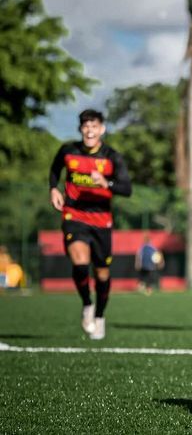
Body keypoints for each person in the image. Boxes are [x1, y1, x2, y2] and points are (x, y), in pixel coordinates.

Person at [49, 109, 132, 340]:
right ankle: (87, 303)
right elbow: (55, 170)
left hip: (101, 221)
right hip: (74, 216)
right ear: (80, 129)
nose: (89, 130)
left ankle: (100, 316)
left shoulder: (112, 157)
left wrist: (107, 182)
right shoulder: (68, 151)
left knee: (102, 273)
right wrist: (53, 189)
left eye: (94, 126)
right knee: (80, 263)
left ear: (102, 129)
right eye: (85, 126)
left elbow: (127, 188)